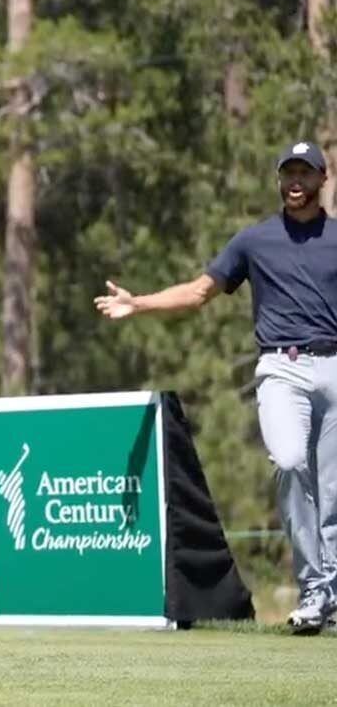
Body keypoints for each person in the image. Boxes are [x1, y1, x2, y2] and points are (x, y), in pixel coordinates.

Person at [95, 140, 337, 634]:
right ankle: (316, 585)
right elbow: (199, 291)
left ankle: (324, 595)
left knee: (333, 492)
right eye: (288, 173)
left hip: (334, 365)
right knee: (290, 462)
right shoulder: (253, 241)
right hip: (281, 369)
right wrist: (139, 303)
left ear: (322, 179)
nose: (295, 181)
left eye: (304, 173)